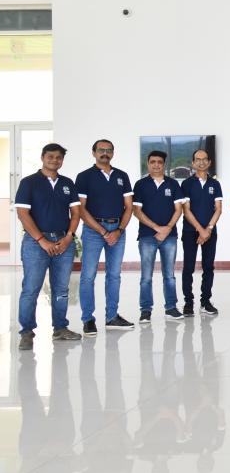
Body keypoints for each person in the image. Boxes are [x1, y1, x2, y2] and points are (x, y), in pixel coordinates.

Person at [14, 143, 83, 350]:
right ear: (43, 157)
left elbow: (76, 213)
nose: (54, 160)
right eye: (50, 156)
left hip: (64, 241)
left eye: (58, 157)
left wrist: (69, 237)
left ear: (62, 160)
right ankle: (26, 332)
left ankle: (60, 328)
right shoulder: (29, 183)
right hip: (36, 243)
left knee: (61, 289)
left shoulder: (67, 183)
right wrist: (41, 240)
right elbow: (22, 214)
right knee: (31, 288)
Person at [75, 138, 134, 333]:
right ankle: (88, 319)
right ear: (93, 153)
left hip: (118, 229)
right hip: (93, 230)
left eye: (109, 150)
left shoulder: (122, 176)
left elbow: (129, 207)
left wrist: (119, 230)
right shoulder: (84, 177)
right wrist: (104, 232)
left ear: (113, 153)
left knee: (114, 275)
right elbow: (81, 209)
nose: (105, 153)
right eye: (101, 150)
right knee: (88, 275)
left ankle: (112, 317)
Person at [132, 150, 185, 323]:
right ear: (148, 164)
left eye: (159, 162)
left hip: (169, 236)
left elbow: (179, 210)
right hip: (147, 236)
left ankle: (171, 308)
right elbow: (136, 211)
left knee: (169, 275)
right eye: (152, 162)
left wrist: (167, 228)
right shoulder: (140, 185)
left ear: (164, 164)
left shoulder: (173, 184)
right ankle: (145, 310)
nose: (156, 165)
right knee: (146, 277)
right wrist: (157, 228)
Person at [180, 149, 223, 317]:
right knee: (188, 267)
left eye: (205, 159)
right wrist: (201, 230)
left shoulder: (215, 184)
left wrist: (209, 229)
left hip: (210, 232)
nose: (201, 162)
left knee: (208, 267)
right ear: (193, 163)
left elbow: (218, 209)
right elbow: (186, 210)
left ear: (209, 162)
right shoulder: (186, 184)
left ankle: (206, 302)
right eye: (198, 159)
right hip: (190, 231)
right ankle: (188, 303)